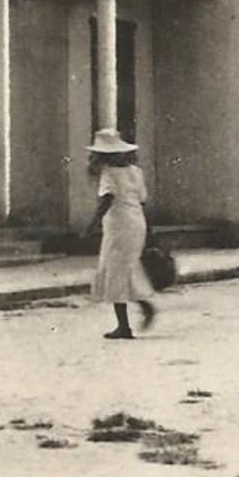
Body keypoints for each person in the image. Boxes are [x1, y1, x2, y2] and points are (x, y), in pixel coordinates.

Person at [85, 128, 157, 340]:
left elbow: (106, 200)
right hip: (136, 222)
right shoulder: (136, 171)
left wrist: (92, 224)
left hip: (119, 226)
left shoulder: (109, 173)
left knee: (115, 272)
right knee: (128, 268)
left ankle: (126, 323)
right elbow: (142, 199)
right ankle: (141, 308)